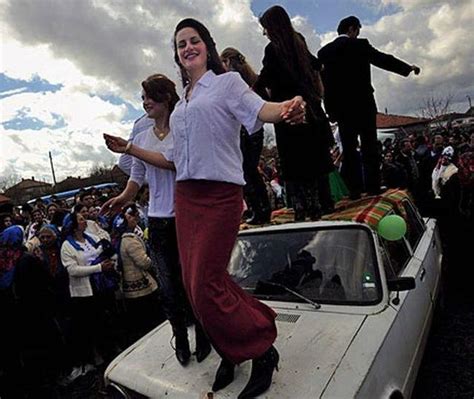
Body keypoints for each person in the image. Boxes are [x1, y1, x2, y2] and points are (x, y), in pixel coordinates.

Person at [104, 18, 305, 398]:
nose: (187, 48)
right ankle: (232, 349)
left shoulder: (226, 82)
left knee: (205, 284)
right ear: (176, 55)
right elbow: (173, 158)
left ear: (207, 45)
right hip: (187, 197)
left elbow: (261, 108)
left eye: (194, 40)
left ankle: (261, 349)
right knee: (196, 291)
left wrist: (288, 107)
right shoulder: (184, 102)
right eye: (180, 44)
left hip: (220, 194)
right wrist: (130, 149)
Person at [103, 73, 210, 366]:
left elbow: (175, 162)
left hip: (189, 217)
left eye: (150, 97)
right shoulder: (140, 135)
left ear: (165, 97)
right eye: (142, 98)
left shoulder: (182, 126)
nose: (145, 103)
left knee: (194, 282)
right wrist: (124, 198)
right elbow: (137, 176)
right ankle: (181, 335)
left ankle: (204, 332)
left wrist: (129, 148)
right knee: (169, 286)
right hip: (159, 221)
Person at [318, 15, 420, 199]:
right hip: (363, 104)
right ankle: (372, 187)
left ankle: (354, 190)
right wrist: (407, 68)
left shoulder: (324, 52)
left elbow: (325, 85)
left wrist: (330, 110)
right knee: (369, 146)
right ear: (352, 29)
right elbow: (384, 59)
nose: (357, 34)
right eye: (357, 30)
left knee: (349, 149)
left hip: (342, 109)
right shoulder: (360, 45)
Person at [256, 6, 335, 220]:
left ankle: (303, 209)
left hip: (289, 113)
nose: (265, 33)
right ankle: (324, 204)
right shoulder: (298, 40)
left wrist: (246, 94)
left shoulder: (273, 50)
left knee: (296, 165)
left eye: (265, 28)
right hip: (311, 109)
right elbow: (316, 65)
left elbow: (264, 79)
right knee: (317, 161)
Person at [60, 211, 118, 383]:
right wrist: (98, 268)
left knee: (107, 321)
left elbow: (105, 248)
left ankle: (111, 352)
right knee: (93, 325)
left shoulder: (91, 237)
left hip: (101, 287)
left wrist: (109, 260)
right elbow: (73, 270)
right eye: (80, 219)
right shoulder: (67, 246)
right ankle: (99, 360)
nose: (84, 221)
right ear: (73, 224)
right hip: (85, 293)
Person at [220, 47, 271, 224]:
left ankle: (260, 209)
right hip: (254, 128)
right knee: (250, 170)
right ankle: (261, 208)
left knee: (248, 171)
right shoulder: (251, 78)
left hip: (246, 129)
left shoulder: (234, 80)